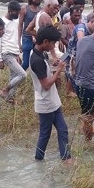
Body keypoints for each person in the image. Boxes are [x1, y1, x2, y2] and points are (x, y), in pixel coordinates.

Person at [30, 25, 72, 164]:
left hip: (51, 100)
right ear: (45, 41)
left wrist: (53, 63)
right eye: (53, 43)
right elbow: (46, 85)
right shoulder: (36, 60)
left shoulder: (38, 53)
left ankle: (66, 159)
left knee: (62, 130)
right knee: (45, 134)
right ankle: (39, 159)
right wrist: (59, 69)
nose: (54, 46)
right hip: (46, 102)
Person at [0, 1, 27, 103]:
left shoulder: (15, 22)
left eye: (19, 13)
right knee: (23, 75)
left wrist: (18, 53)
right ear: (10, 11)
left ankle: (9, 99)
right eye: (16, 13)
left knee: (14, 77)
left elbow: (15, 38)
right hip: (6, 53)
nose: (18, 15)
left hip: (14, 53)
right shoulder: (2, 22)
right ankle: (6, 89)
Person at [18, 0, 41, 70]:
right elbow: (20, 25)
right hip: (27, 38)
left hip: (38, 38)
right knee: (26, 63)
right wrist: (19, 41)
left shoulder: (41, 11)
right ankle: (18, 77)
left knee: (38, 62)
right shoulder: (25, 9)